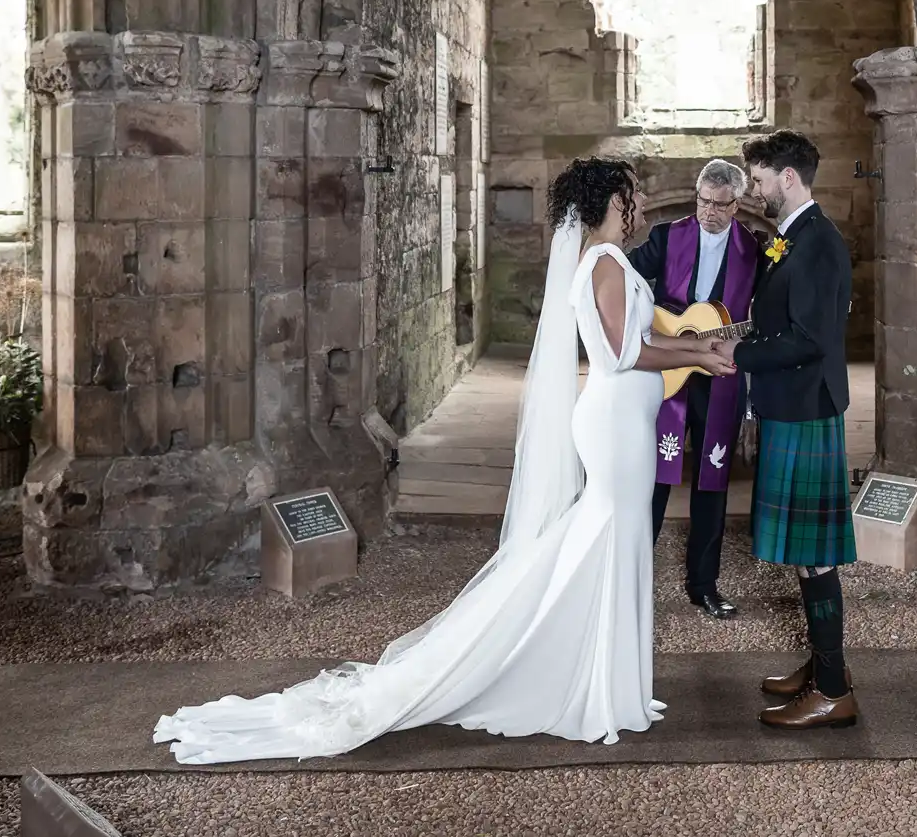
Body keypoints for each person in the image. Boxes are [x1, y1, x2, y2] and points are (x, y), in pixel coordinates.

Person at [151, 159, 733, 761]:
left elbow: (642, 338)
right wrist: (695, 360)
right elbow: (617, 355)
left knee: (618, 539)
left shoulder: (609, 261)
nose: (639, 203)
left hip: (626, 424)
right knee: (607, 537)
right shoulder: (606, 264)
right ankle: (580, 676)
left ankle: (610, 679)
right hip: (615, 426)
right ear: (615, 200)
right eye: (633, 194)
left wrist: (694, 348)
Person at [717, 129, 859, 729]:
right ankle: (826, 667)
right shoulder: (794, 237)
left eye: (758, 178)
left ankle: (832, 691)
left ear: (788, 177)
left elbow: (809, 338)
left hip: (806, 406)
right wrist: (740, 334)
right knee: (806, 554)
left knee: (814, 556)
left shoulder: (819, 242)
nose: (754, 188)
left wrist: (739, 356)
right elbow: (783, 319)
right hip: (791, 404)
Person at [628, 159, 761, 620]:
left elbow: (764, 320)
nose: (708, 212)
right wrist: (654, 325)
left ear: (736, 205)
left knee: (712, 482)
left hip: (720, 379)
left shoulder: (755, 250)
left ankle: (704, 584)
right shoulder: (667, 236)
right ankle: (631, 580)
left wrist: (742, 340)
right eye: (703, 201)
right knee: (655, 480)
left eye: (720, 205)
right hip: (669, 375)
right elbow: (621, 278)